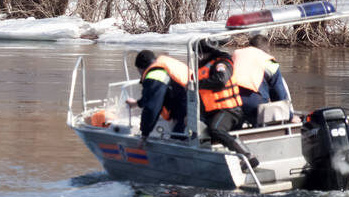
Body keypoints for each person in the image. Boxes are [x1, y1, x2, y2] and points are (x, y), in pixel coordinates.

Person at [196, 39, 260, 169]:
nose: (197, 56)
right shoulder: (203, 66)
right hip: (215, 111)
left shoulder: (222, 63)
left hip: (230, 110)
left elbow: (221, 80)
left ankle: (248, 156)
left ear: (204, 52)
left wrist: (198, 84)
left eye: (198, 53)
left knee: (216, 129)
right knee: (205, 133)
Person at [125, 50, 189, 140]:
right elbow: (154, 95)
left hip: (187, 114)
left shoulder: (155, 75)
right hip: (195, 108)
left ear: (140, 69)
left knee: (176, 143)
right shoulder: (166, 65)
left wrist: (144, 134)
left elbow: (152, 107)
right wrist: (137, 103)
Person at [232, 34, 293, 126]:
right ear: (266, 49)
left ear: (250, 45)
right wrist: (289, 116)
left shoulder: (236, 54)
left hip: (231, 100)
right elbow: (279, 91)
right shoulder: (269, 61)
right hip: (253, 101)